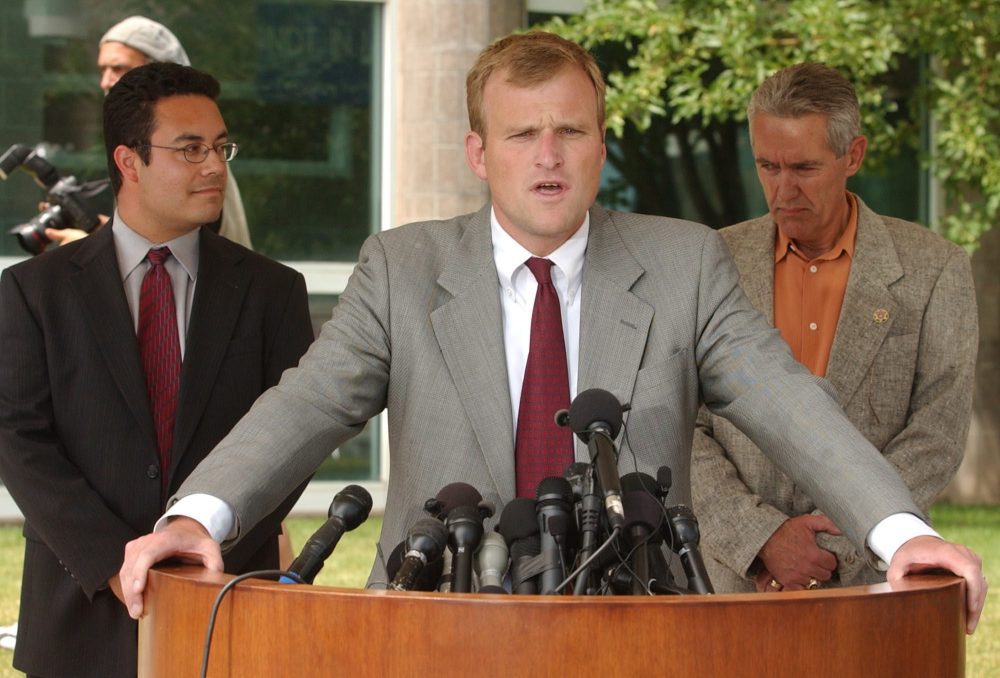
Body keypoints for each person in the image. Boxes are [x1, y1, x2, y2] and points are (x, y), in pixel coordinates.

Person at [119, 31, 987, 634]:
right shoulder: (401, 266)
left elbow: (786, 398)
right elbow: (307, 401)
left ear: (600, 145)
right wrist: (200, 513)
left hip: (635, 634)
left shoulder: (683, 264)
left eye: (570, 131)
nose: (547, 156)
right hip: (434, 628)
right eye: (522, 133)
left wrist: (901, 533)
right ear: (477, 152)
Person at [0, 62, 314, 677]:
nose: (215, 166)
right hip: (78, 613)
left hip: (225, 597)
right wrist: (114, 563)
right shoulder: (33, 291)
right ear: (128, 160)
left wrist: (207, 539)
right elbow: (19, 442)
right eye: (190, 148)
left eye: (221, 146)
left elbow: (296, 436)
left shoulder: (275, 291)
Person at [689, 63, 979, 594]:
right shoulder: (711, 261)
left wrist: (838, 545)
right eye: (767, 166)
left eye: (803, 167)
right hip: (733, 582)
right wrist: (762, 539)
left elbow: (936, 436)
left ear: (854, 155)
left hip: (873, 584)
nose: (782, 189)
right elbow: (684, 426)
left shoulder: (935, 270)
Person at [45, 15, 253, 249]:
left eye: (119, 68)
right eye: (103, 70)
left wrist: (89, 250)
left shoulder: (197, 169)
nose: (106, 81)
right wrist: (98, 232)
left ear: (157, 74)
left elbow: (169, 262)